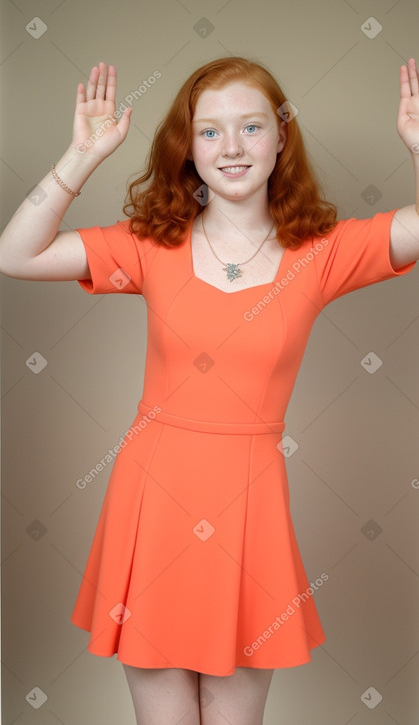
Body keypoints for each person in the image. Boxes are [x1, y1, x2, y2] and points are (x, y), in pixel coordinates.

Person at [1, 55, 418, 725]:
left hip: (249, 508)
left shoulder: (320, 253)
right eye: (210, 132)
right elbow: (14, 254)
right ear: (186, 149)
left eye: (251, 128)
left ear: (280, 138)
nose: (231, 148)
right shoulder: (149, 245)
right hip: (153, 500)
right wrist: (80, 157)